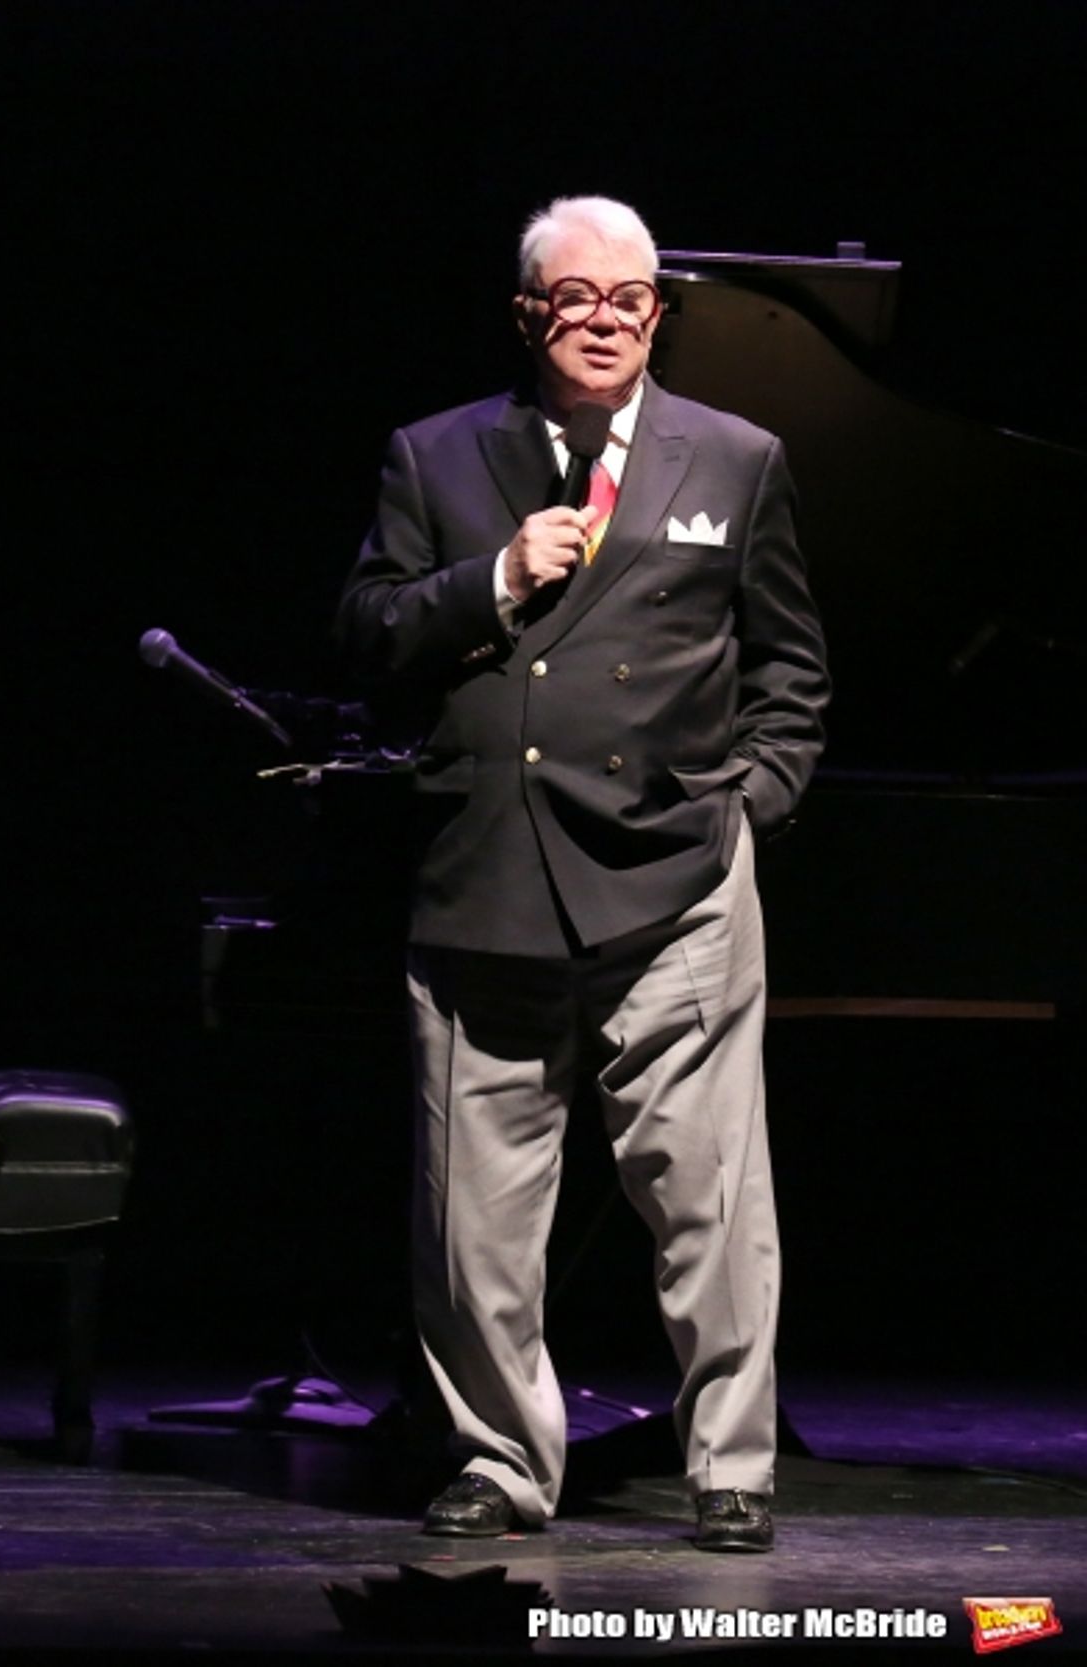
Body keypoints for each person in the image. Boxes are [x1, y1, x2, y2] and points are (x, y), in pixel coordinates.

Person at [334, 195, 830, 1551]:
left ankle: (732, 1466)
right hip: (488, 875)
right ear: (529, 313)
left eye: (628, 300)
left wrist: (756, 804)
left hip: (675, 878)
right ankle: (500, 1461)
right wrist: (488, 578)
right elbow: (368, 632)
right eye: (576, 299)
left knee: (711, 1198)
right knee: (476, 1216)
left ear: (657, 314)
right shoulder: (434, 458)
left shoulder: (735, 458)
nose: (604, 320)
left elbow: (791, 667)